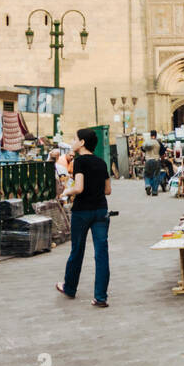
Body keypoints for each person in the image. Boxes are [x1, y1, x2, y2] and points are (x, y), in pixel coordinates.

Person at [56, 127, 111, 307]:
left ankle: (70, 287)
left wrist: (66, 191)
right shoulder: (102, 163)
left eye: (74, 138)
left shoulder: (80, 162)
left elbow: (78, 188)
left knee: (77, 250)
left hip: (82, 211)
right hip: (101, 210)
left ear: (82, 143)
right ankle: (100, 297)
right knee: (101, 253)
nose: (72, 141)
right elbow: (108, 190)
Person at [142, 130, 162, 196]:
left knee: (146, 174)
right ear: (156, 135)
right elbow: (162, 151)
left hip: (148, 161)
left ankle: (147, 185)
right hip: (156, 161)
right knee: (156, 175)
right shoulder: (158, 142)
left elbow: (142, 149)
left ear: (150, 135)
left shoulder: (147, 142)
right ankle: (154, 191)